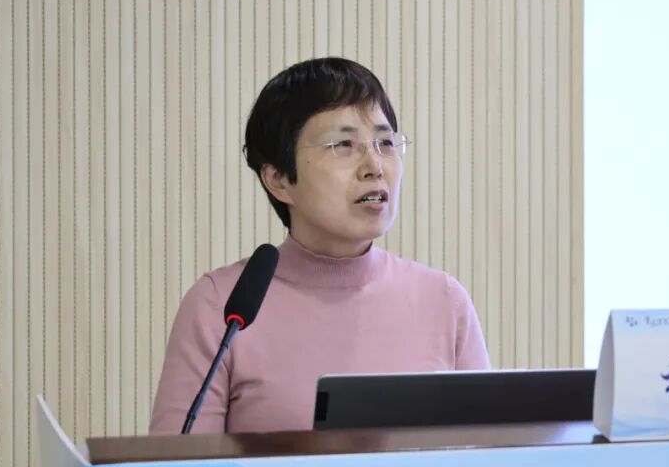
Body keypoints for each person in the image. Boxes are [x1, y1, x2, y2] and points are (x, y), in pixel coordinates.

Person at [150, 57, 490, 434]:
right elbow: (179, 466)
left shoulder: (444, 302)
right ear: (279, 179)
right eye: (344, 144)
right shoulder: (224, 307)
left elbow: (488, 459)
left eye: (385, 142)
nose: (374, 166)